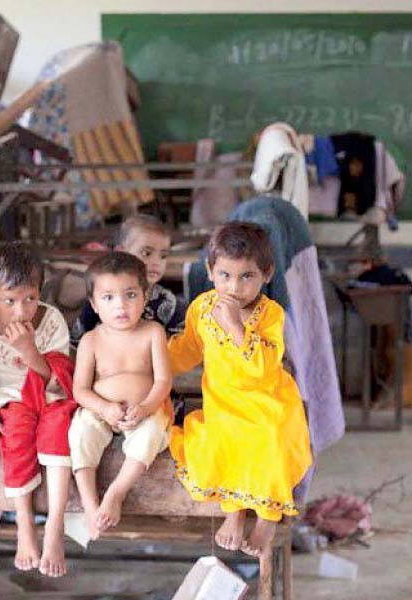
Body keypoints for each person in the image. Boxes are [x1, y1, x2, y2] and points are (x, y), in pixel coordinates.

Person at [168, 222, 313, 557]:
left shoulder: (271, 315)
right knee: (221, 440)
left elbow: (263, 368)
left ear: (267, 273)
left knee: (272, 439)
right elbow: (187, 350)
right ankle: (232, 512)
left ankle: (266, 517)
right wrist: (148, 360)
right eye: (225, 275)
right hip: (225, 404)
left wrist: (235, 326)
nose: (234, 287)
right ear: (209, 271)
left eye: (246, 276)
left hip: (270, 403)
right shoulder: (202, 308)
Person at [0, 243, 76, 577]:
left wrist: (29, 349)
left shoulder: (50, 320)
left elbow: (57, 381)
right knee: (18, 432)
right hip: (8, 398)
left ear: (40, 293)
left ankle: (54, 524)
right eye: (9, 301)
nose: (21, 311)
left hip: (50, 395)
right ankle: (25, 524)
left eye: (30, 298)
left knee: (57, 430)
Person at [70, 251, 173, 539]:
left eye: (130, 295)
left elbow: (164, 380)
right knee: (80, 433)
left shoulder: (153, 332)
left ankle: (117, 491)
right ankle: (91, 505)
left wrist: (147, 407)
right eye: (109, 297)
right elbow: (80, 390)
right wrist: (103, 409)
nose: (121, 306)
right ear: (93, 304)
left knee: (152, 432)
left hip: (144, 410)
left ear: (145, 295)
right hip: (101, 413)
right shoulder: (91, 340)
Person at [71, 214, 185, 347]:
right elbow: (76, 343)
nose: (156, 262)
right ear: (121, 252)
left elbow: (182, 346)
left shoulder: (168, 302)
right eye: (146, 253)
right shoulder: (103, 298)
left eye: (163, 256)